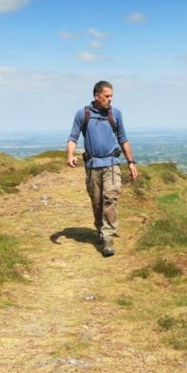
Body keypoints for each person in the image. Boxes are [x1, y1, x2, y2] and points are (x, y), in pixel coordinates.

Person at [66, 80, 138, 257]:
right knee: (97, 202)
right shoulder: (83, 114)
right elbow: (73, 137)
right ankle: (100, 228)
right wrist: (70, 155)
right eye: (107, 96)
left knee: (110, 198)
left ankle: (108, 237)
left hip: (112, 163)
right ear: (96, 96)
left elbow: (123, 139)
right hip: (92, 166)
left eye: (111, 96)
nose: (110, 99)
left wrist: (131, 162)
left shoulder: (116, 114)